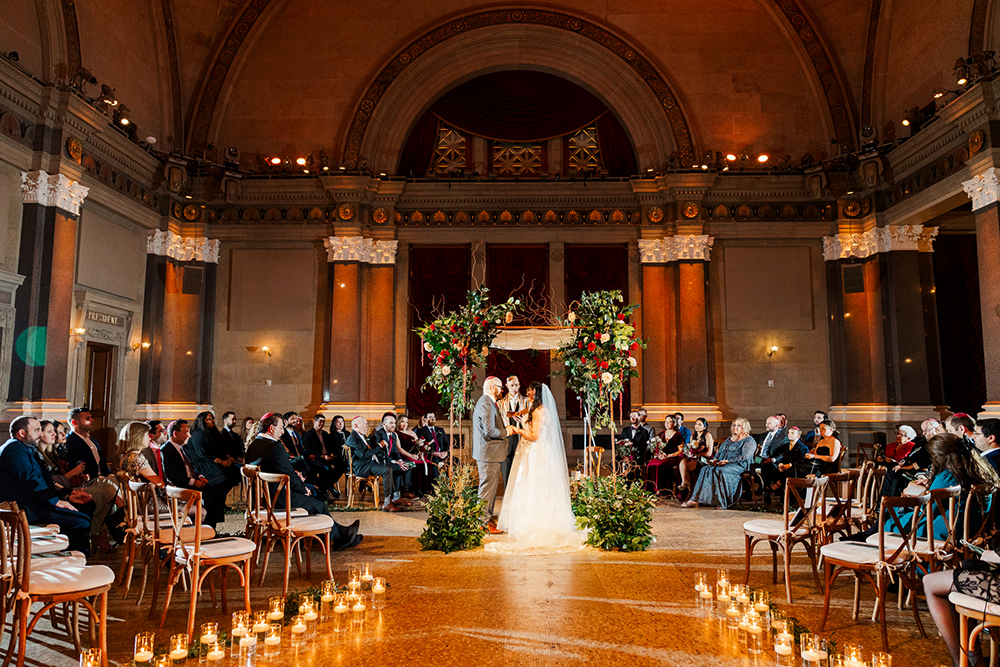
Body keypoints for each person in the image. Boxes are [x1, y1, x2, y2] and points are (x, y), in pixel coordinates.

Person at [484, 382, 587, 554]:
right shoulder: (535, 408)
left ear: (536, 392)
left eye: (530, 389)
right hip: (529, 453)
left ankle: (536, 522)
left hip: (536, 453)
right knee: (527, 485)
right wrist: (522, 424)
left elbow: (535, 436)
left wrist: (518, 430)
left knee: (535, 485)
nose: (527, 391)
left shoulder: (540, 411)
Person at [244, 413, 361, 550]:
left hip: (262, 499)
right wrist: (304, 489)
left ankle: (339, 532)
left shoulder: (253, 445)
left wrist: (294, 476)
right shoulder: (274, 446)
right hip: (279, 499)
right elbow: (289, 476)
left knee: (314, 497)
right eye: (281, 428)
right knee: (319, 503)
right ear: (271, 428)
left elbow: (275, 469)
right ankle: (337, 539)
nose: (282, 432)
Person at [0, 416, 91, 554]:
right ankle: (70, 561)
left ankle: (66, 558)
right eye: (37, 430)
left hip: (32, 504)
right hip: (24, 509)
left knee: (82, 512)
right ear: (22, 433)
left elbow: (45, 481)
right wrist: (56, 502)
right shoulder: (14, 449)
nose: (40, 434)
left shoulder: (23, 448)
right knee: (81, 521)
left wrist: (66, 497)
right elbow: (31, 482)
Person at [161, 419, 227, 527]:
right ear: (175, 434)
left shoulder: (182, 448)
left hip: (191, 483)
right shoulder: (166, 450)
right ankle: (203, 528)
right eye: (186, 432)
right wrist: (193, 482)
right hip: (180, 487)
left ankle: (212, 527)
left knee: (219, 493)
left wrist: (200, 476)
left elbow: (190, 467)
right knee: (208, 497)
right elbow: (172, 475)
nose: (189, 436)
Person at [472, 376, 516, 532]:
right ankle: (482, 522)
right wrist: (507, 432)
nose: (501, 390)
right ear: (492, 387)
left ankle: (486, 518)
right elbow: (490, 430)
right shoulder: (486, 404)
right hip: (488, 454)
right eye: (499, 387)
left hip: (490, 453)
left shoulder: (488, 403)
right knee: (487, 488)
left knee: (490, 488)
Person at [681, 418, 756, 509]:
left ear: (745, 427)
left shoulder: (749, 440)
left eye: (739, 425)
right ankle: (695, 499)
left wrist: (728, 461)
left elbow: (744, 456)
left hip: (739, 465)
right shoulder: (729, 439)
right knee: (705, 469)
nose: (736, 427)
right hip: (723, 463)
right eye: (735, 425)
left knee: (721, 471)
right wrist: (715, 459)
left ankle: (722, 501)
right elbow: (719, 452)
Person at [345, 416, 406, 512]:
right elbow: (364, 455)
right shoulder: (353, 438)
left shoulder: (361, 435)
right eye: (364, 424)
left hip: (369, 463)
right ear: (356, 426)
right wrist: (379, 445)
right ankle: (386, 503)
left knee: (395, 467)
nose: (367, 426)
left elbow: (371, 451)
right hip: (362, 467)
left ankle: (395, 497)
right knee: (387, 470)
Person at [187, 411, 240, 496]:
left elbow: (218, 448)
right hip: (202, 463)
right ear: (202, 421)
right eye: (208, 419)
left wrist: (227, 457)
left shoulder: (212, 432)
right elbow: (202, 452)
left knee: (235, 472)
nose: (212, 421)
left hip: (213, 461)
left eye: (212, 418)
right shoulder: (198, 433)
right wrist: (221, 462)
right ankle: (217, 497)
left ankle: (221, 498)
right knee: (223, 475)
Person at [370, 413, 417, 501]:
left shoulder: (394, 435)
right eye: (391, 423)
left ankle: (403, 492)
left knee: (408, 465)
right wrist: (395, 462)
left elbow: (395, 451)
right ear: (384, 424)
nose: (394, 425)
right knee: (398, 467)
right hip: (380, 462)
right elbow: (379, 454)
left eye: (394, 423)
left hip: (389, 460)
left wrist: (399, 460)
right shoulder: (378, 435)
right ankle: (395, 497)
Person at [64, 406, 113, 480]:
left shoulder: (93, 440)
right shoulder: (69, 442)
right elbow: (73, 466)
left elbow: (101, 463)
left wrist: (110, 475)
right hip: (86, 483)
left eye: (91, 417)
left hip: (102, 479)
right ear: (74, 422)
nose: (92, 420)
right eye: (87, 418)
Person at [303, 413, 344, 499]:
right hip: (316, 458)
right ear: (314, 421)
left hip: (327, 457)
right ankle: (328, 488)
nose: (322, 424)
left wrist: (331, 454)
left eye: (323, 422)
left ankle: (327, 485)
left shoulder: (325, 434)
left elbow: (329, 447)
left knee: (341, 465)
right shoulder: (308, 435)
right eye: (320, 421)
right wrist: (322, 456)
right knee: (326, 468)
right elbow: (309, 450)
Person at [760, 426, 809, 497]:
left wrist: (789, 465)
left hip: (796, 468)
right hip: (785, 467)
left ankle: (779, 483)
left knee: (789, 472)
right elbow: (782, 456)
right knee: (768, 468)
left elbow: (802, 461)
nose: (789, 434)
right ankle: (768, 490)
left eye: (792, 433)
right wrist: (780, 464)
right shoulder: (785, 446)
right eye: (789, 433)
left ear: (798, 436)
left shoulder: (802, 447)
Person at [498, 375, 527, 489]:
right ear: (507, 386)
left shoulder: (526, 402)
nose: (514, 388)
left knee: (521, 474)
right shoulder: (501, 404)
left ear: (519, 385)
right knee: (506, 474)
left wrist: (523, 421)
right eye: (512, 385)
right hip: (506, 442)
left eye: (516, 385)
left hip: (521, 440)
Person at [396, 415, 435, 495]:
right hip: (405, 455)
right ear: (398, 422)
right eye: (402, 421)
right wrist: (411, 456)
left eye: (406, 422)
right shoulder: (396, 433)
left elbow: (419, 445)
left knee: (428, 463)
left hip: (415, 455)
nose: (404, 424)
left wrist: (422, 452)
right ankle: (415, 489)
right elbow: (399, 449)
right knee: (415, 464)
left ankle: (425, 488)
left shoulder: (411, 432)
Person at [677, 418, 714, 498]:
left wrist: (698, 454)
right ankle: (685, 482)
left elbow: (709, 453)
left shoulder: (707, 435)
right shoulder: (693, 436)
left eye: (700, 424)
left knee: (686, 468)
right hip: (694, 457)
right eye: (696, 424)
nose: (697, 426)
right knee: (682, 460)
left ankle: (690, 490)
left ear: (704, 427)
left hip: (704, 458)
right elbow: (690, 449)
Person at [646, 415, 683, 495]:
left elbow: (680, 451)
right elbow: (656, 447)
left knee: (660, 465)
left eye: (670, 422)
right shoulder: (661, 434)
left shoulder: (678, 435)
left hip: (672, 457)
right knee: (650, 464)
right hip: (661, 456)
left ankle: (661, 489)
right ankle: (650, 489)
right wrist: (659, 455)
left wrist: (668, 456)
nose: (667, 423)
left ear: (675, 423)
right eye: (666, 421)